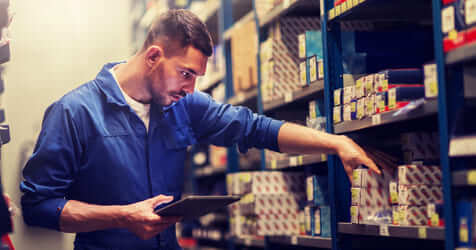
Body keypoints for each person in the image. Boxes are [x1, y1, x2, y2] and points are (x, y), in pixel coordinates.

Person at [20, 9, 380, 250]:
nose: (191, 88)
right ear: (153, 56)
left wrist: (336, 142)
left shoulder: (185, 106)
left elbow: (256, 128)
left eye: (197, 78)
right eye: (186, 74)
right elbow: (38, 205)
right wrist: (122, 216)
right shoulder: (74, 112)